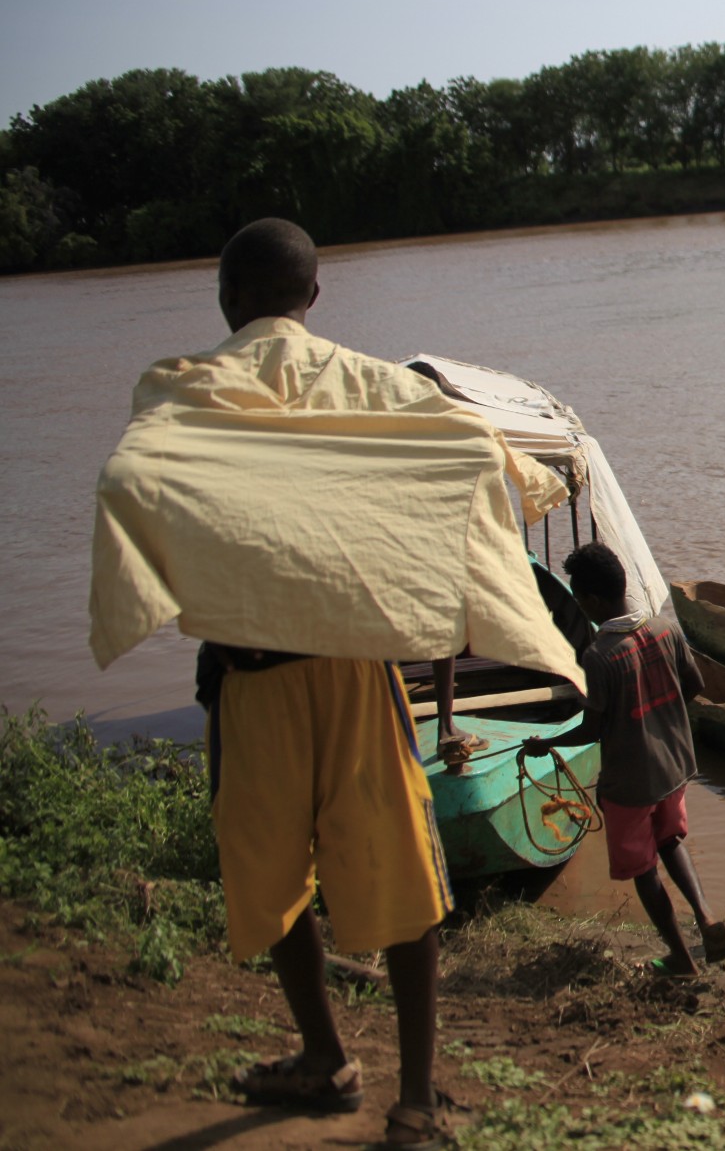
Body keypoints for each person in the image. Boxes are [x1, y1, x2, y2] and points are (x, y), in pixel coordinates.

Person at [92, 219, 581, 1150]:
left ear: (227, 298)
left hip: (247, 680)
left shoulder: (186, 387)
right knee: (401, 873)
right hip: (358, 678)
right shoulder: (379, 388)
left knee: (270, 873)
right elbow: (478, 450)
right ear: (314, 297)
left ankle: (323, 1052)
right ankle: (414, 1093)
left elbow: (132, 473)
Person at [524, 542, 725, 973]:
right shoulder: (664, 629)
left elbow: (592, 729)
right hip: (673, 763)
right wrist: (663, 715)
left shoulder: (600, 657)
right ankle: (706, 914)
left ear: (593, 601)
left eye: (579, 600)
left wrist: (547, 745)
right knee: (671, 840)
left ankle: (680, 957)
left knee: (642, 867)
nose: (580, 606)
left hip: (629, 780)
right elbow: (694, 685)